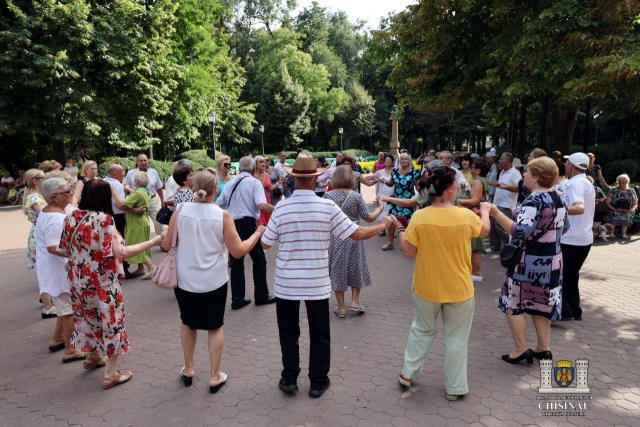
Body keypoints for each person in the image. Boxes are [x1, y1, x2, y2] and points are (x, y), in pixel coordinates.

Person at [261, 153, 392, 398]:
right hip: (316, 282)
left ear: (292, 179)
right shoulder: (326, 206)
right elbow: (356, 234)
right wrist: (382, 226)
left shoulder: (282, 208)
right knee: (320, 332)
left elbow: (266, 245)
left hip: (286, 283)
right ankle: (318, 381)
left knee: (288, 332)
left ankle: (289, 378)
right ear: (314, 180)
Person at [161, 168, 266, 393]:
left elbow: (166, 244)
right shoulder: (222, 215)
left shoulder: (180, 210)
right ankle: (214, 375)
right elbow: (238, 251)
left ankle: (189, 369)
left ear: (193, 186)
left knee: (188, 323)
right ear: (216, 189)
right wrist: (257, 234)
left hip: (185, 278)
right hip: (214, 280)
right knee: (214, 326)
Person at [394, 167, 490, 401]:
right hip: (459, 289)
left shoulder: (420, 216)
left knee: (422, 329)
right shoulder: (466, 216)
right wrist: (485, 210)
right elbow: (484, 230)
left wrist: (400, 229)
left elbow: (408, 252)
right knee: (456, 338)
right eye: (456, 184)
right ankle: (455, 388)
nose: (458, 188)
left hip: (426, 287)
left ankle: (408, 374)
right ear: (449, 190)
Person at [58, 179, 164, 390]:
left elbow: (64, 249)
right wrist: (155, 241)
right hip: (103, 283)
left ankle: (92, 356)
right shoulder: (104, 220)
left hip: (79, 281)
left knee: (88, 319)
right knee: (112, 324)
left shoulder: (71, 216)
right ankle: (111, 373)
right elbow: (121, 253)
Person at [489, 157, 568, 364]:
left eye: (527, 172)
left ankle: (520, 348)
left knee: (512, 303)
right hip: (552, 262)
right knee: (541, 304)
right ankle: (543, 347)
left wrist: (496, 214)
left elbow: (522, 231)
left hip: (527, 264)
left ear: (536, 177)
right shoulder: (558, 196)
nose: (523, 175)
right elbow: (565, 227)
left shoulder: (534, 200)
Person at [36, 178, 87, 361]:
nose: (71, 193)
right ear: (54, 196)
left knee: (64, 307)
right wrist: (78, 255)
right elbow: (53, 247)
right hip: (58, 269)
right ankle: (70, 350)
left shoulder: (54, 211)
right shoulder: (55, 218)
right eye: (67, 191)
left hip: (53, 268)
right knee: (69, 310)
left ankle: (57, 339)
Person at [324, 166, 384, 318]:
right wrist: (381, 209)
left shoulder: (327, 196)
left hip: (336, 238)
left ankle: (341, 307)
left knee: (338, 270)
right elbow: (369, 218)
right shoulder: (356, 196)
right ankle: (355, 302)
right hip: (355, 235)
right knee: (356, 267)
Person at [216, 156, 276, 310]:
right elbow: (262, 206)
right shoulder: (254, 182)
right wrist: (279, 210)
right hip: (248, 225)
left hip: (232, 224)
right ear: (253, 168)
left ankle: (237, 299)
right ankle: (261, 295)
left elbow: (218, 204)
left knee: (236, 262)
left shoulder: (230, 184)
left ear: (239, 168)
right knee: (259, 260)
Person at [561, 153, 596, 322]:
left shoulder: (575, 184)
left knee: (561, 274)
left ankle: (565, 311)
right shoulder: (587, 183)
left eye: (567, 162)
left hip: (571, 238)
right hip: (584, 238)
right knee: (571, 275)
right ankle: (575, 310)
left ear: (571, 165)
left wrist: (556, 209)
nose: (566, 164)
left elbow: (579, 208)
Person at [23, 169, 55, 317]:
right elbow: (45, 214)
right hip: (39, 236)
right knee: (44, 270)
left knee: (48, 269)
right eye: (43, 177)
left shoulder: (40, 195)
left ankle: (46, 298)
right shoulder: (34, 197)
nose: (46, 179)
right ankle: (47, 307)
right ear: (35, 181)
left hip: (43, 234)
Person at [104, 164, 145, 280]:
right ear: (114, 174)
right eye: (122, 172)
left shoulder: (103, 182)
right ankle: (124, 269)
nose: (124, 175)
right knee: (121, 242)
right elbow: (122, 205)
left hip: (107, 215)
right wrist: (135, 210)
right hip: (118, 216)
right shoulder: (116, 184)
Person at [379, 152, 421, 251]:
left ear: (410, 160)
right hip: (396, 199)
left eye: (406, 159)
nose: (404, 161)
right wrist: (385, 181)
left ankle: (406, 242)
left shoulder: (414, 172)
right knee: (392, 220)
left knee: (407, 221)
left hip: (408, 201)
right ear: (399, 161)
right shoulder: (395, 172)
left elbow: (418, 187)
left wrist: (424, 193)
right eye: (402, 159)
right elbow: (391, 183)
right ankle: (390, 242)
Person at [459, 159, 491, 281]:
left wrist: (457, 201)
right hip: (476, 214)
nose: (471, 169)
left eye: (473, 167)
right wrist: (465, 191)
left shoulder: (477, 181)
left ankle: (476, 273)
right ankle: (474, 272)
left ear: (478, 170)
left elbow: (475, 200)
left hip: (474, 215)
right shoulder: (481, 180)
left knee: (475, 244)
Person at [119, 172, 156, 279]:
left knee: (135, 246)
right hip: (143, 221)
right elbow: (136, 194)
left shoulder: (138, 193)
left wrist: (115, 192)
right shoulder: (145, 191)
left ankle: (151, 267)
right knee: (141, 244)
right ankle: (141, 269)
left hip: (136, 223)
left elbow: (122, 205)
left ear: (137, 182)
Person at [487, 152, 522, 252]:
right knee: (493, 225)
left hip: (507, 204)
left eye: (501, 159)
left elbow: (519, 188)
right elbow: (499, 184)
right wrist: (487, 182)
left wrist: (506, 187)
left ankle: (511, 245)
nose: (499, 161)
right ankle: (495, 247)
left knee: (500, 226)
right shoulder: (502, 171)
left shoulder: (515, 173)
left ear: (507, 161)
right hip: (497, 202)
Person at [123, 154, 164, 237]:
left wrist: (162, 201)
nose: (143, 162)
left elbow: (159, 188)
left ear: (148, 161)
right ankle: (141, 243)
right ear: (137, 162)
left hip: (152, 200)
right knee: (139, 223)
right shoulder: (131, 173)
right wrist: (124, 200)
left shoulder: (154, 172)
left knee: (158, 221)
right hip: (137, 202)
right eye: (141, 160)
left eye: (145, 160)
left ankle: (163, 241)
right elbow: (125, 187)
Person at [603, 174, 637, 239]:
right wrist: (613, 208)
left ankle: (624, 233)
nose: (621, 184)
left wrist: (632, 209)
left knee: (627, 214)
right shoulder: (613, 190)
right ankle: (611, 233)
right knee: (614, 213)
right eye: (619, 182)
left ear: (627, 182)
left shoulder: (631, 190)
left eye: (623, 183)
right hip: (614, 209)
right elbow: (607, 202)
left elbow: (635, 203)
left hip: (627, 210)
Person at [372, 154, 395, 236]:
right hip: (382, 194)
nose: (388, 161)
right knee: (382, 210)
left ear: (392, 161)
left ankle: (391, 229)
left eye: (390, 159)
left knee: (391, 212)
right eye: (386, 159)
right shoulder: (380, 172)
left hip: (392, 195)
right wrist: (359, 178)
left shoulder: (395, 171)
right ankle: (382, 229)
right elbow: (371, 177)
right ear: (384, 161)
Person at [254, 156, 281, 225]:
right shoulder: (252, 175)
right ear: (255, 164)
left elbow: (270, 189)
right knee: (258, 223)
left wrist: (279, 182)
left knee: (267, 223)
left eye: (264, 162)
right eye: (261, 162)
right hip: (256, 201)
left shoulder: (266, 175)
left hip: (266, 200)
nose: (263, 164)